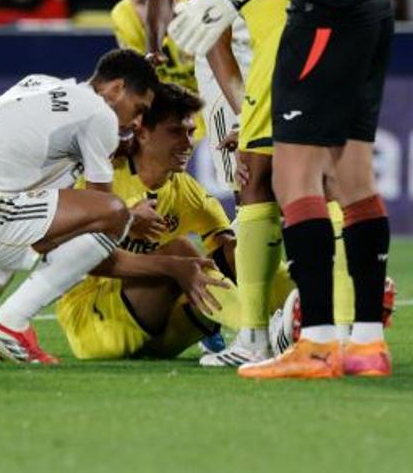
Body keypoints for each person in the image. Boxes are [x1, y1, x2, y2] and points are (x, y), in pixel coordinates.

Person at [170, 0, 398, 379]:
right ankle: (366, 342)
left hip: (323, 16)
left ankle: (315, 342)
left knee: (293, 179)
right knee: (353, 180)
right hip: (371, 10)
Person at [0, 50, 224, 364]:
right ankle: (10, 323)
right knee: (111, 214)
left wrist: (137, 73)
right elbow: (104, 212)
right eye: (139, 108)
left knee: (31, 210)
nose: (137, 122)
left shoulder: (41, 85)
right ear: (116, 89)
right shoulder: (99, 115)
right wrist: (130, 219)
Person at [56, 83, 295, 361]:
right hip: (95, 326)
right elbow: (79, 261)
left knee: (237, 253)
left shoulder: (187, 191)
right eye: (175, 132)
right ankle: (255, 334)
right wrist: (170, 264)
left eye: (191, 132)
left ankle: (307, 321)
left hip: (160, 336)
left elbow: (234, 256)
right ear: (142, 133)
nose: (188, 143)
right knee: (179, 250)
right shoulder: (102, 180)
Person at [143, 0, 289, 189]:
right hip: (228, 63)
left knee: (298, 176)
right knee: (248, 184)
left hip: (282, 51)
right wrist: (153, 51)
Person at [109, 0, 196, 101]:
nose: (148, 12)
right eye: (140, 3)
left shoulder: (196, 9)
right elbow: (140, 78)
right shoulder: (123, 16)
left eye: (156, 1)